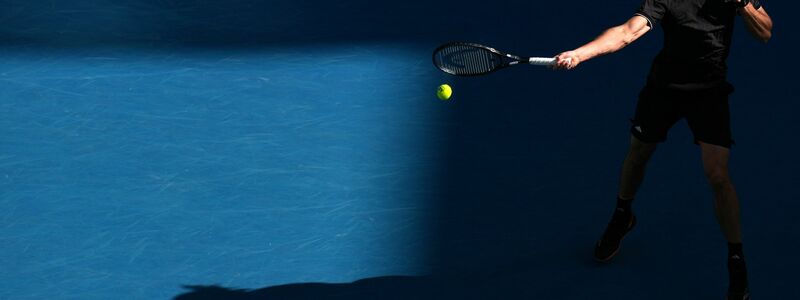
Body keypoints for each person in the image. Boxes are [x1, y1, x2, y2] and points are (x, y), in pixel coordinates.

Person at [551, 0, 772, 299]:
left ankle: (736, 260)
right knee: (639, 153)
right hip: (664, 89)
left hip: (709, 93)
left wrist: (743, 5)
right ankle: (622, 214)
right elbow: (628, 31)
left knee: (718, 174)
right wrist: (580, 53)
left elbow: (765, 32)